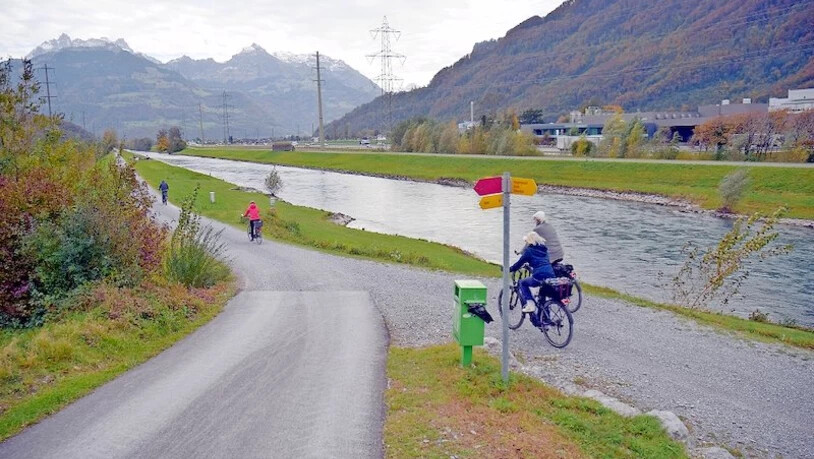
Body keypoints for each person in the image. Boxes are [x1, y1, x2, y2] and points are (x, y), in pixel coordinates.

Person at [510, 231, 556, 313]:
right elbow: (541, 262)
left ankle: (530, 305)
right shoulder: (544, 249)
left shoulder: (529, 251)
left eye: (526, 241)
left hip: (539, 275)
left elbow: (519, 263)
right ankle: (546, 320)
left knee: (522, 283)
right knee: (542, 297)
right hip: (551, 274)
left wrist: (510, 269)